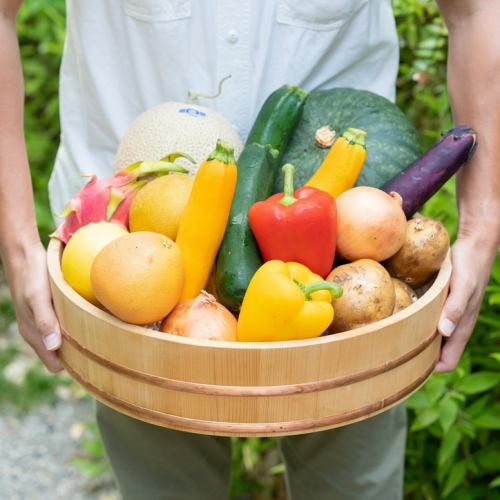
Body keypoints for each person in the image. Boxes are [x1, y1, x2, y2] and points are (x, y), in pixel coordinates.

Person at [1, 0, 499, 498]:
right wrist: (20, 248)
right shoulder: (128, 260)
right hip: (130, 252)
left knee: (354, 486)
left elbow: (476, 10)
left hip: (350, 249)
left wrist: (481, 229)